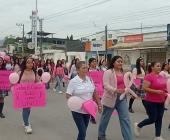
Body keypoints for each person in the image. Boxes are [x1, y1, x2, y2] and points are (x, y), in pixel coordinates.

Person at [98, 56, 134, 140]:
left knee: (125, 119)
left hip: (122, 98)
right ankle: (101, 135)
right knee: (105, 118)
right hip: (110, 98)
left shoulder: (124, 72)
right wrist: (115, 90)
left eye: (121, 61)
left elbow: (128, 84)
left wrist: (131, 92)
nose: (120, 63)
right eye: (118, 61)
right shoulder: (108, 72)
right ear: (113, 63)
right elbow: (105, 85)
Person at [66, 61, 102, 140]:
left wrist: (99, 104)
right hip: (77, 111)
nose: (86, 69)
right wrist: (75, 102)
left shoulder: (89, 79)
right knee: (82, 131)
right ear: (78, 70)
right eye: (83, 68)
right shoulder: (73, 81)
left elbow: (94, 92)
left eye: (86, 68)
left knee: (83, 131)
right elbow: (68, 95)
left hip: (88, 109)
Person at [134, 61, 167, 140]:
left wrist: (166, 93)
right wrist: (157, 91)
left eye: (160, 66)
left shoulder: (161, 76)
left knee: (159, 118)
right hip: (151, 101)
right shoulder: (149, 76)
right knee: (153, 119)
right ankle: (138, 125)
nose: (159, 67)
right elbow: (144, 88)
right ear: (152, 67)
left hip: (161, 101)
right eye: (157, 66)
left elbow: (164, 87)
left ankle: (157, 136)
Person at [18, 57, 38, 134]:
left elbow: (37, 81)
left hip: (31, 93)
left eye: (31, 62)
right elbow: (15, 81)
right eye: (28, 62)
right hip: (22, 93)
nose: (30, 64)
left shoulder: (34, 72)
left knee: (28, 108)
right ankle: (27, 125)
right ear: (25, 63)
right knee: (26, 108)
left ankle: (25, 120)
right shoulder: (21, 72)